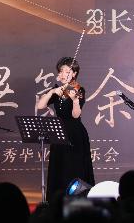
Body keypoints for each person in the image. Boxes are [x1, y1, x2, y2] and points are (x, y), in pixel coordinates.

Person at [36, 57, 94, 199]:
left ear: (74, 74)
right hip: (59, 133)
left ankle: (78, 200)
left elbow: (76, 115)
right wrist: (51, 92)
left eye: (67, 71)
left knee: (74, 167)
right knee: (59, 167)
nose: (63, 74)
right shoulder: (57, 90)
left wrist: (75, 100)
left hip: (75, 134)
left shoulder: (79, 89)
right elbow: (40, 106)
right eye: (61, 71)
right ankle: (57, 201)